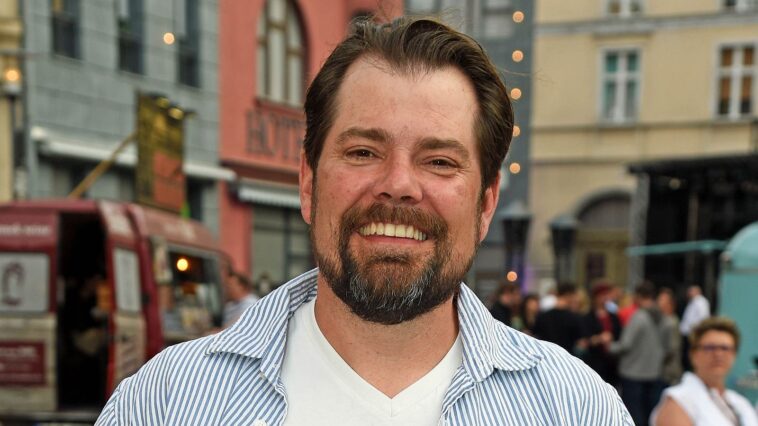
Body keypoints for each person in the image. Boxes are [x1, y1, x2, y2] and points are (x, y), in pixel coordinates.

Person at [96, 16, 632, 425]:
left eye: (439, 161)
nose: (398, 184)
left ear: (486, 204)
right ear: (308, 183)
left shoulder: (574, 408)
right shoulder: (165, 403)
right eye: (362, 152)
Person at [651, 317, 758, 426]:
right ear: (693, 354)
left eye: (725, 348)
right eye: (710, 348)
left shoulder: (741, 404)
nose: (718, 354)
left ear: (734, 355)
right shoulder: (679, 400)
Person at [607, 281, 673, 426]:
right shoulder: (666, 318)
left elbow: (625, 344)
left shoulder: (638, 317)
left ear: (638, 296)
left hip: (633, 373)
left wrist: (609, 347)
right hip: (654, 372)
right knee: (651, 414)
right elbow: (669, 348)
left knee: (633, 415)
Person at [582, 281, 622, 388]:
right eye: (602, 295)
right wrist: (599, 338)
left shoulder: (614, 316)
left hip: (612, 362)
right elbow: (585, 339)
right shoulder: (587, 317)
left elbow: (619, 335)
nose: (605, 298)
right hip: (595, 361)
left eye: (607, 294)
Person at [533, 282, 587, 355]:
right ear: (569, 295)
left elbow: (535, 336)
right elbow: (581, 343)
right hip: (565, 358)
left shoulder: (542, 316)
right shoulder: (574, 318)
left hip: (545, 357)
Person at [680, 285, 710, 371]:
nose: (689, 293)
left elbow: (702, 318)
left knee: (691, 356)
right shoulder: (693, 302)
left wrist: (695, 331)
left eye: (691, 291)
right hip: (688, 334)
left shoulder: (701, 302)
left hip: (693, 334)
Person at [658, 287, 683, 385]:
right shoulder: (663, 320)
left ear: (670, 304)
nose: (659, 302)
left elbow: (672, 348)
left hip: (669, 372)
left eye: (662, 300)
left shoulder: (672, 322)